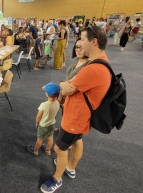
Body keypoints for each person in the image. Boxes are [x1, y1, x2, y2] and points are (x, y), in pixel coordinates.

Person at [40, 25, 111, 193]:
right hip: (81, 116)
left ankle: (56, 179)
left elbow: (65, 88)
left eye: (83, 40)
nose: (79, 44)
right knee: (77, 140)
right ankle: (70, 167)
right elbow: (69, 86)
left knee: (59, 148)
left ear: (93, 42)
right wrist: (66, 85)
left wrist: (63, 86)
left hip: (75, 117)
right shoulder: (100, 62)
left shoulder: (93, 68)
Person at [26, 82, 60, 156]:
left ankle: (35, 150)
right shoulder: (58, 103)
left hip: (43, 125)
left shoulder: (44, 105)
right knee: (50, 137)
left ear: (47, 94)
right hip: (52, 124)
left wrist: (37, 122)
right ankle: (48, 150)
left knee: (40, 139)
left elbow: (38, 116)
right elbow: (56, 114)